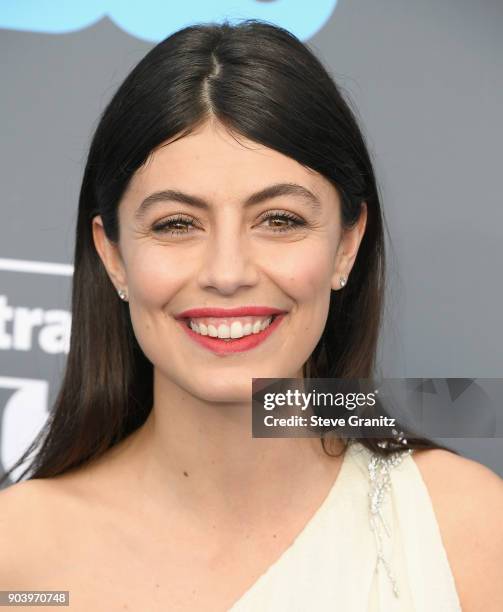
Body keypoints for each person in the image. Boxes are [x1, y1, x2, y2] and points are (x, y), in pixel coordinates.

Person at [1, 19, 502, 611]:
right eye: (176, 224)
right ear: (113, 256)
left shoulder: (468, 529)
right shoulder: (20, 553)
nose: (228, 270)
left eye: (280, 220)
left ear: (347, 244)